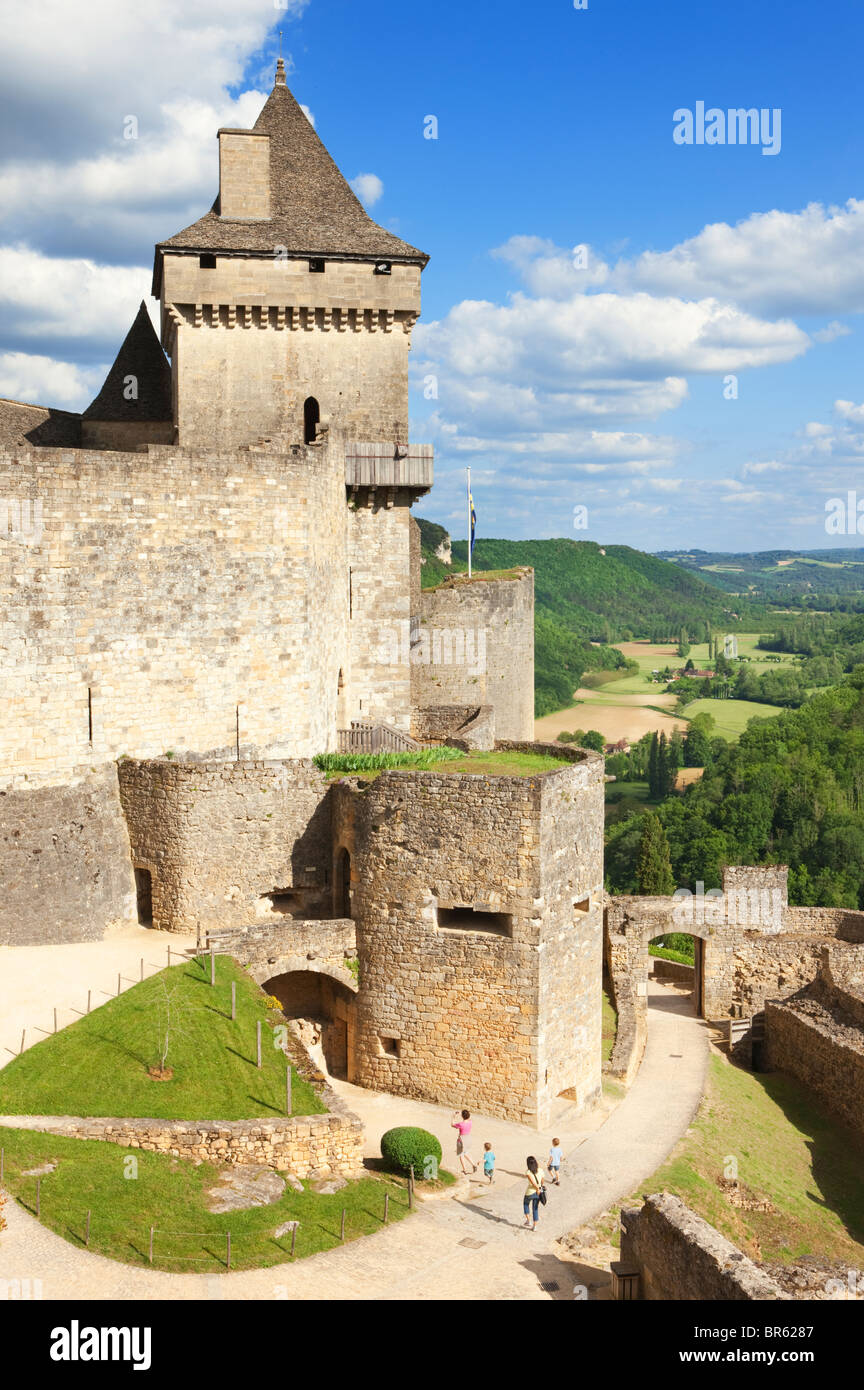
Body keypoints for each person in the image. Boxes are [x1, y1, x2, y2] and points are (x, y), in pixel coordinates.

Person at [451, 1108, 477, 1173]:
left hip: (461, 1140)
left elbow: (452, 1125)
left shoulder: (460, 1124)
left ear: (462, 1116)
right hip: (468, 1139)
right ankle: (473, 1164)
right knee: (465, 1153)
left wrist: (453, 1117)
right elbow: (468, 1118)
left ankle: (464, 1170)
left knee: (461, 1155)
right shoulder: (470, 1122)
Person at [523, 1155, 544, 1229]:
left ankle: (528, 1221)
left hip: (530, 1192)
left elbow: (532, 1183)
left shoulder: (528, 1172)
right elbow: (542, 1181)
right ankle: (535, 1226)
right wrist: (539, 1188)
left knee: (526, 1204)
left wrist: (537, 1188)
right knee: (535, 1209)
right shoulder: (541, 1170)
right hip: (538, 1193)